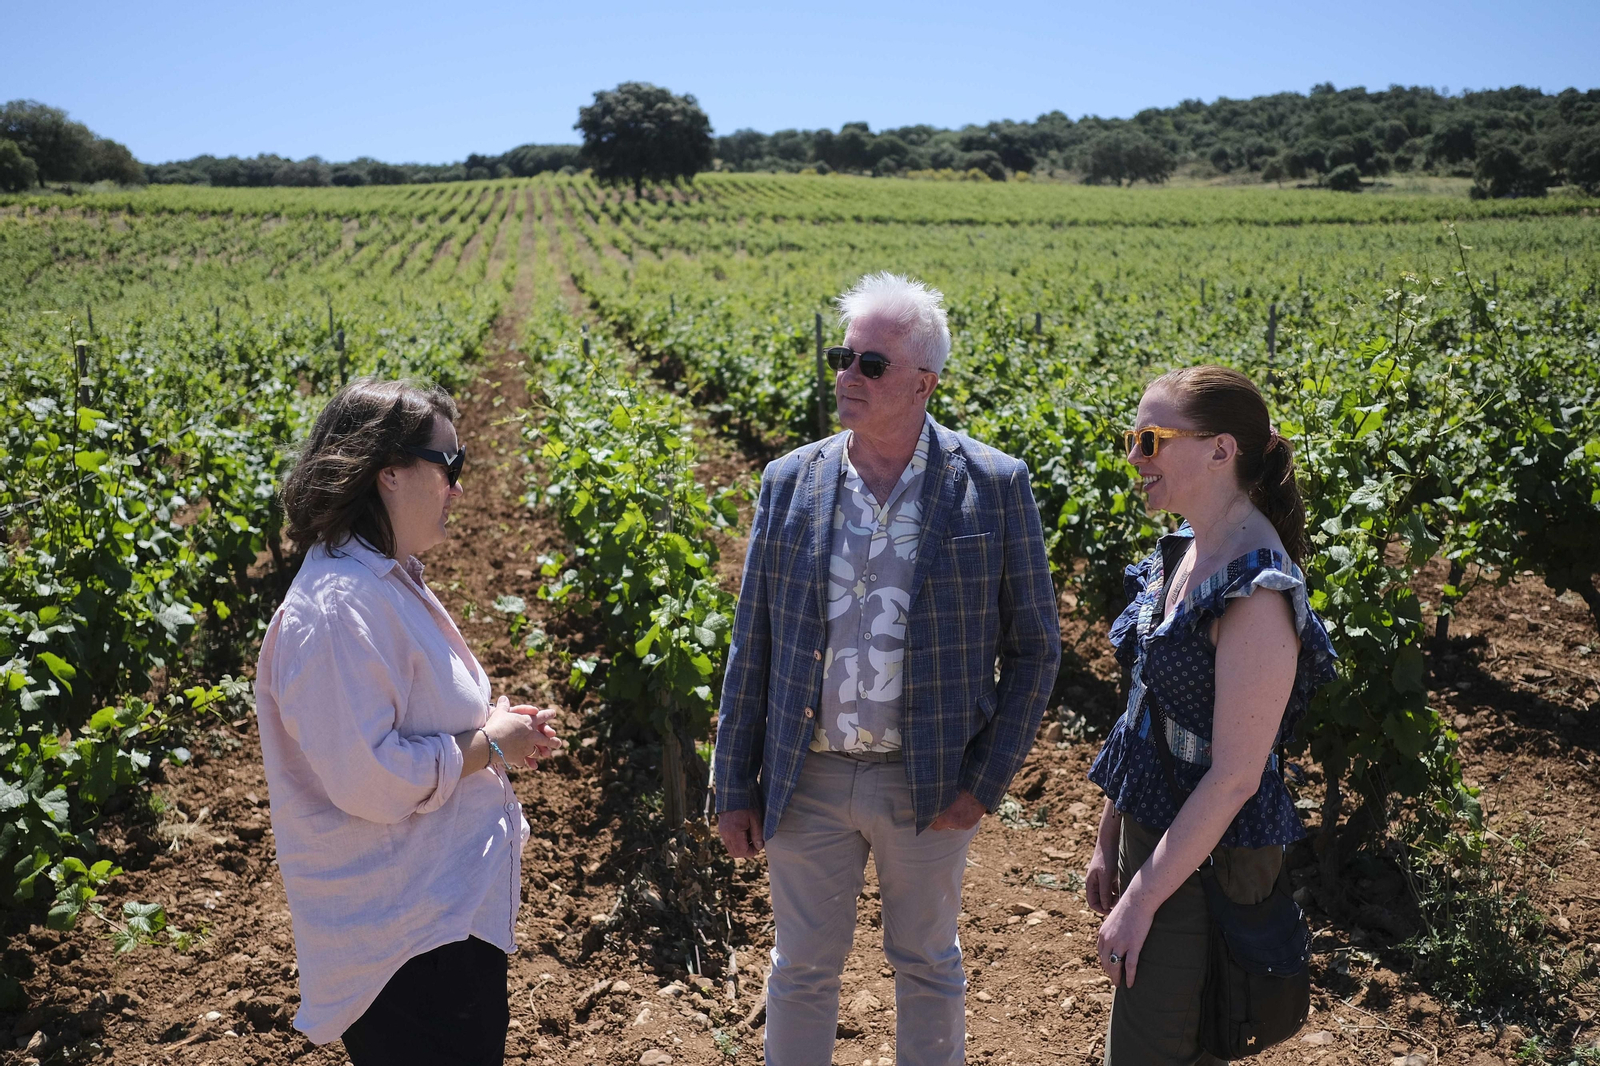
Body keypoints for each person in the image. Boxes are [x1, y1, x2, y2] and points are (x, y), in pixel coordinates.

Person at [713, 272, 1061, 1066]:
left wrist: (986, 781)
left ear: (923, 383)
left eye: (871, 364)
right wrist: (734, 783)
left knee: (928, 965)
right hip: (807, 775)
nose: (847, 376)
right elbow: (752, 641)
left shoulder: (994, 485)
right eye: (843, 357)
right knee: (800, 969)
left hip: (929, 781)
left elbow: (1038, 646)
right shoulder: (789, 481)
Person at [255, 378, 561, 1065]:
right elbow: (371, 779)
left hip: (436, 924)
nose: (458, 487)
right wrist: (487, 744)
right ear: (388, 474)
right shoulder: (336, 610)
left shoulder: (381, 579)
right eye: (448, 466)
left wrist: (493, 721)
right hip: (407, 948)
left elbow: (407, 718)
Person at [1084, 365, 1337, 1065]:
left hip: (1205, 863)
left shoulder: (1255, 592)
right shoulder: (1188, 554)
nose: (1134, 458)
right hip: (1160, 839)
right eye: (1131, 438)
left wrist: (1141, 898)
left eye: (1150, 440)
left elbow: (1232, 779)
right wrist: (1112, 834)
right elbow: (1148, 709)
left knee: (1162, 1049)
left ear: (1222, 450)